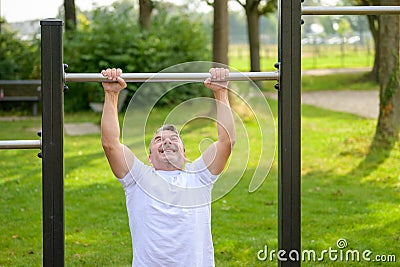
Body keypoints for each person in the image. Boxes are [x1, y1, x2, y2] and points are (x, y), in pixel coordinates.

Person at [100, 67, 235, 266]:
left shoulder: (199, 176)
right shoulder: (138, 178)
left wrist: (221, 93)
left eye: (174, 139)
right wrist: (111, 95)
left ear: (185, 153)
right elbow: (110, 144)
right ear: (150, 158)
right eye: (158, 140)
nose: (167, 142)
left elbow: (227, 141)